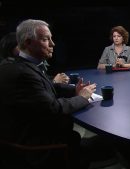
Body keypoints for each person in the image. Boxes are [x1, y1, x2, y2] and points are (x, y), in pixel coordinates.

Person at [0, 19, 98, 169]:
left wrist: (73, 89)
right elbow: (55, 108)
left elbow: (46, 86)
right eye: (46, 39)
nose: (53, 44)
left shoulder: (21, 64)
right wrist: (82, 97)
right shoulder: (23, 73)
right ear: (28, 42)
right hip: (41, 147)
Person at [0, 32, 70, 84]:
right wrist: (55, 82)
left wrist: (59, 78)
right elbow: (33, 90)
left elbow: (41, 79)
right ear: (10, 49)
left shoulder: (26, 63)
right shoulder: (13, 68)